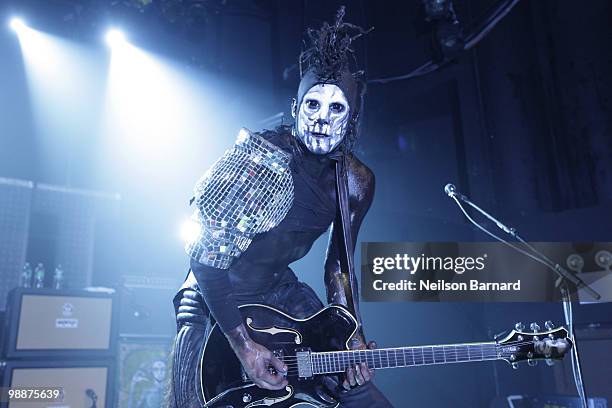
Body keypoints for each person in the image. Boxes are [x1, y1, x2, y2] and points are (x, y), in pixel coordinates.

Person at [169, 7, 393, 408]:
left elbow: (338, 268)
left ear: (352, 119)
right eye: (313, 105)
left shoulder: (355, 182)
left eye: (336, 108)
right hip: (215, 294)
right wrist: (244, 346)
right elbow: (204, 260)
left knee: (357, 391)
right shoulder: (260, 159)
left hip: (278, 291)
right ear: (295, 108)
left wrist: (352, 336)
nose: (322, 120)